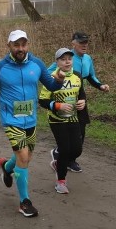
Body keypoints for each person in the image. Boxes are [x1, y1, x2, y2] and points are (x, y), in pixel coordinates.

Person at [0, 30, 64, 217]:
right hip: (11, 119)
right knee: (23, 156)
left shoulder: (37, 64)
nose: (20, 48)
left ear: (28, 45)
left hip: (30, 119)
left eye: (23, 44)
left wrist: (60, 80)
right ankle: (25, 202)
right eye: (16, 45)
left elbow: (51, 86)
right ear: (9, 46)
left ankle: (7, 168)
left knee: (26, 158)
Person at [49, 31, 109, 173]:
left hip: (79, 98)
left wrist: (100, 85)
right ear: (73, 43)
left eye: (86, 42)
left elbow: (91, 76)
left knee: (80, 133)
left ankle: (68, 158)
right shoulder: (65, 57)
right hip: (63, 100)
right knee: (68, 132)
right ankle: (62, 155)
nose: (84, 45)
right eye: (81, 42)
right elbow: (47, 73)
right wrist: (54, 87)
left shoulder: (87, 58)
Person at [39, 48, 86, 194]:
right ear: (57, 62)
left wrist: (82, 102)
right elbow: (42, 100)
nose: (67, 61)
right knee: (65, 149)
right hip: (56, 119)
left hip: (73, 117)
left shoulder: (77, 76)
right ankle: (61, 182)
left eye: (69, 59)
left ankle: (58, 161)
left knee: (77, 149)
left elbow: (81, 94)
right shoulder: (51, 78)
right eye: (63, 59)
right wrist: (57, 105)